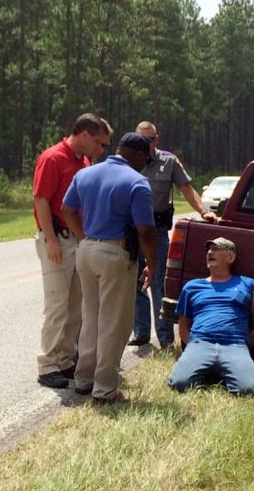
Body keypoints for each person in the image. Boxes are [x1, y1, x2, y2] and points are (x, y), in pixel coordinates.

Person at [61, 132, 158, 403]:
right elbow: (146, 230)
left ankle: (84, 380)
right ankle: (104, 389)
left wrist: (83, 237)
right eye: (145, 158)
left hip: (87, 248)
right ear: (136, 154)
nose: (145, 163)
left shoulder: (86, 174)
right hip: (116, 252)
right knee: (114, 323)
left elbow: (66, 210)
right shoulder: (137, 182)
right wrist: (151, 263)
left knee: (90, 318)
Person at [33, 113, 113, 389]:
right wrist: (51, 240)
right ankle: (48, 365)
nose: (101, 150)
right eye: (99, 143)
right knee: (57, 304)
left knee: (75, 306)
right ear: (85, 135)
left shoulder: (85, 162)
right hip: (57, 239)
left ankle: (65, 360)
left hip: (77, 240)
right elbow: (41, 200)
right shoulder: (53, 157)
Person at [129, 121, 217, 349]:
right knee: (134, 281)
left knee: (157, 282)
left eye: (148, 140)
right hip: (130, 228)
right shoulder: (129, 160)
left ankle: (165, 338)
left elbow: (186, 188)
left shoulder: (168, 161)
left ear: (156, 140)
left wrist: (204, 211)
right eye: (140, 139)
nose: (144, 144)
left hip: (156, 229)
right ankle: (140, 333)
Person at [167, 237, 254, 395]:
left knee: (248, 389)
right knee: (179, 383)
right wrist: (193, 345)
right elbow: (183, 327)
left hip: (235, 345)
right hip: (201, 343)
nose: (210, 252)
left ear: (231, 257)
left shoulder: (249, 285)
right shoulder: (192, 287)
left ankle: (223, 367)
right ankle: (208, 365)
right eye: (208, 249)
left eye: (216, 249)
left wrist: (242, 346)